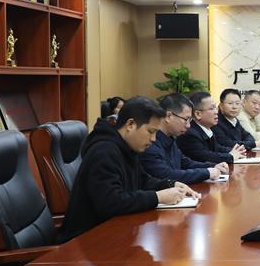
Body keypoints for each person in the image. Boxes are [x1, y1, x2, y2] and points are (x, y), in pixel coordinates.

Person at [61, 96, 199, 241]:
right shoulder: (104, 151)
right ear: (130, 125)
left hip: (113, 234)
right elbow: (111, 203)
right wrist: (158, 197)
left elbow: (143, 180)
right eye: (151, 131)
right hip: (86, 241)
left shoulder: (126, 147)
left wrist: (171, 184)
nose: (153, 139)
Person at [140, 93, 230, 185]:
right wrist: (207, 172)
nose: (188, 125)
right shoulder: (150, 142)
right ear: (168, 116)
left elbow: (185, 163)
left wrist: (213, 166)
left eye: (190, 121)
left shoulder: (170, 138)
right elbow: (167, 175)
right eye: (186, 119)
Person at [178, 91, 246, 164]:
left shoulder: (207, 129)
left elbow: (217, 148)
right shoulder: (190, 134)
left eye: (215, 107)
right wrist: (231, 156)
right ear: (198, 114)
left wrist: (236, 151)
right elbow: (206, 156)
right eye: (212, 108)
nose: (216, 112)